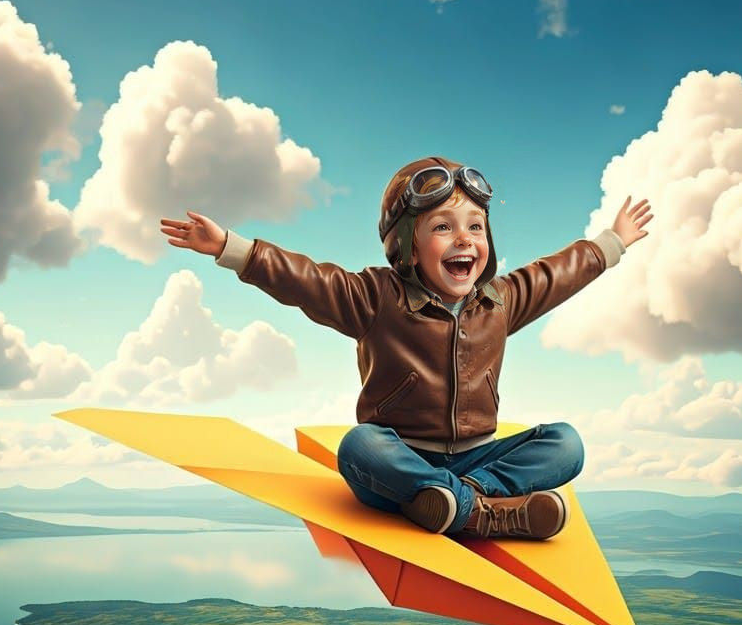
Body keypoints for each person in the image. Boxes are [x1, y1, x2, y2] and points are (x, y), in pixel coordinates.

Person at [160, 156, 650, 541]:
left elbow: (557, 275)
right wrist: (232, 248)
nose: (464, 240)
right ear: (408, 245)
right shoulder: (375, 298)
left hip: (478, 462)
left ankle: (460, 503)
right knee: (359, 447)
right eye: (443, 227)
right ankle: (487, 513)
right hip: (399, 461)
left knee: (566, 444)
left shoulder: (500, 301)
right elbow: (307, 281)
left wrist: (613, 242)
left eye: (475, 227)